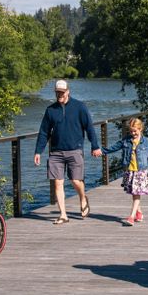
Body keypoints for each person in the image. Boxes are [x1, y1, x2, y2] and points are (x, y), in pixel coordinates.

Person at [33, 79, 102, 225]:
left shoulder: (80, 107)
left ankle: (83, 198)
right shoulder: (50, 110)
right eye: (57, 92)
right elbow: (44, 132)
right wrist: (38, 151)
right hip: (56, 152)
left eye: (62, 92)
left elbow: (89, 127)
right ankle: (63, 214)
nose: (60, 95)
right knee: (58, 183)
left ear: (68, 91)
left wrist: (95, 146)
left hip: (74, 149)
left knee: (75, 180)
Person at [102, 117, 148, 225]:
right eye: (131, 131)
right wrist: (102, 151)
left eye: (135, 131)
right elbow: (114, 147)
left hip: (141, 171)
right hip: (130, 171)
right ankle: (139, 212)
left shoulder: (146, 142)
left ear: (140, 129)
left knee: (136, 193)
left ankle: (131, 216)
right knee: (134, 192)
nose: (133, 133)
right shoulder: (126, 140)